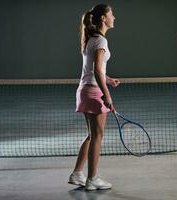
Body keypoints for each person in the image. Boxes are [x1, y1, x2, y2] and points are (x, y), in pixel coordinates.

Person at [68, 4, 120, 190]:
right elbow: (97, 69)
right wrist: (107, 96)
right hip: (94, 91)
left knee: (92, 135)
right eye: (111, 14)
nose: (114, 17)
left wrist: (109, 80)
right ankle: (92, 178)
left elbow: (95, 70)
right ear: (103, 19)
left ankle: (77, 174)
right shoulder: (101, 42)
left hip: (84, 90)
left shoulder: (91, 39)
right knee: (98, 136)